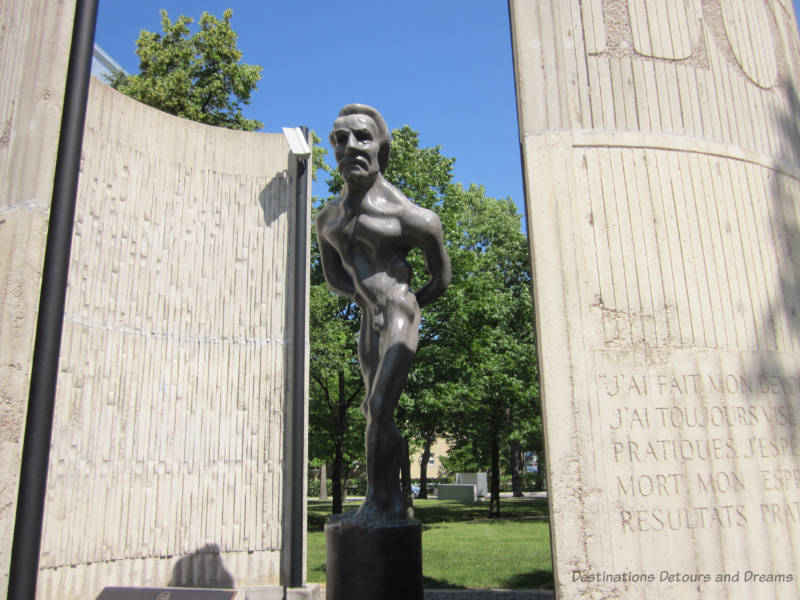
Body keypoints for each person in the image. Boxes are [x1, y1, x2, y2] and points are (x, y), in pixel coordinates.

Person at [317, 104, 451, 522]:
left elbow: (440, 279)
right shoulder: (327, 220)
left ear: (380, 147)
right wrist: (364, 301)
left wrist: (406, 304)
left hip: (398, 314)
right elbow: (334, 277)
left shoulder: (413, 218)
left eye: (362, 137)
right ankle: (392, 499)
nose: (350, 146)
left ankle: (378, 503)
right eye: (340, 139)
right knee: (374, 412)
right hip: (368, 321)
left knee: (377, 404)